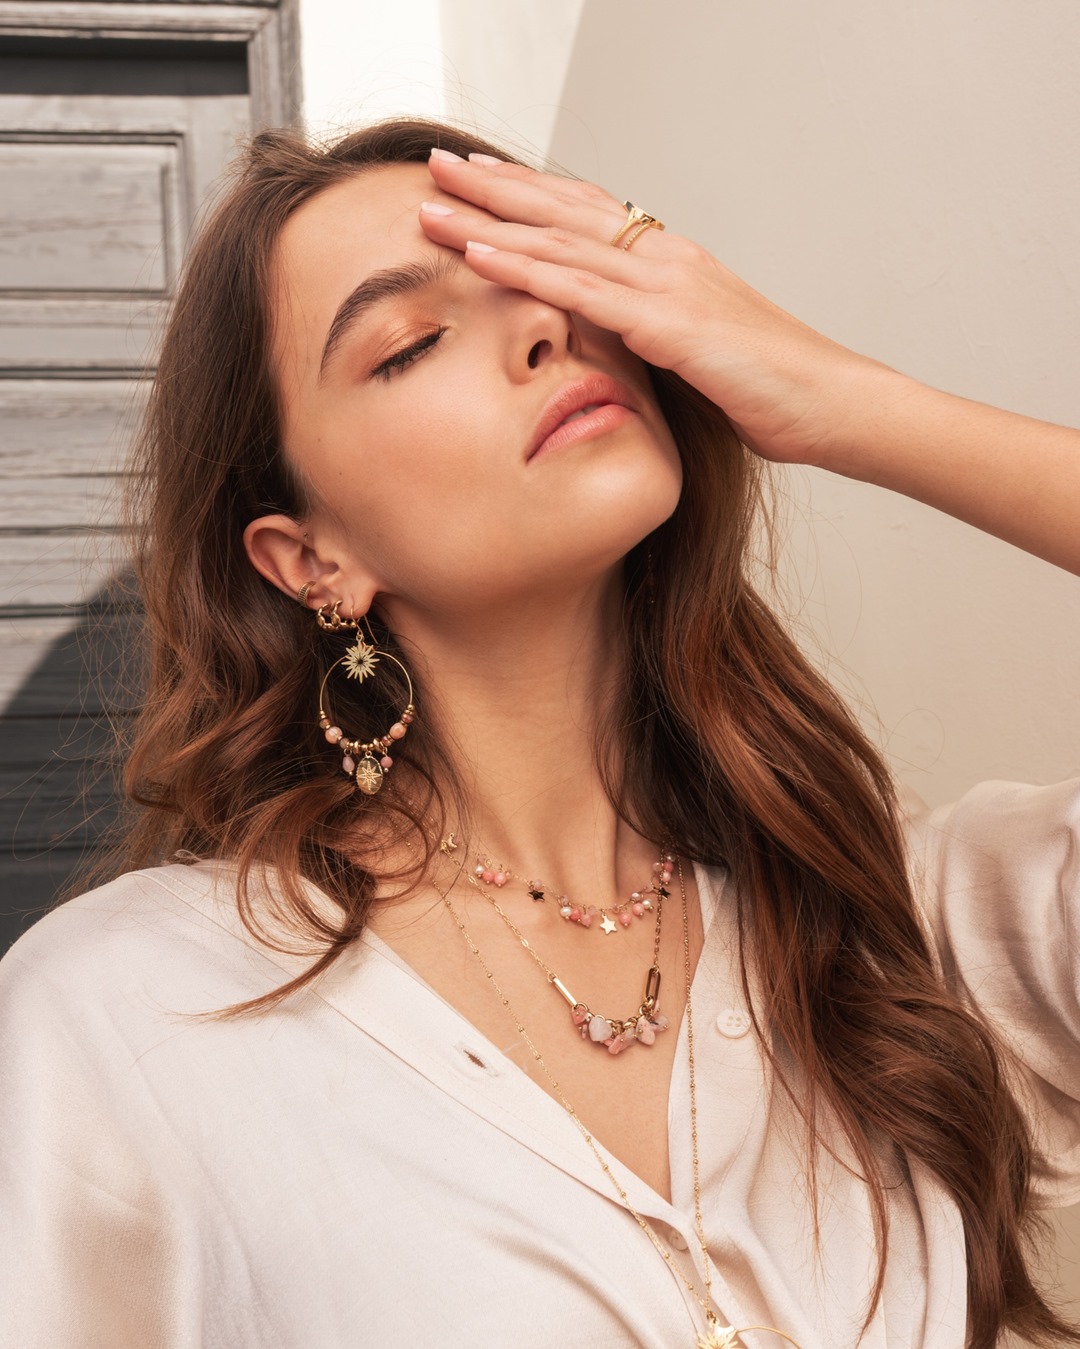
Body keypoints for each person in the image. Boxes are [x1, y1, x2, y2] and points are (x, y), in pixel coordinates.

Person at [0, 116, 1077, 1349]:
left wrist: (848, 400)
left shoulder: (895, 928)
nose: (541, 330)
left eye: (555, 281)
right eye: (410, 343)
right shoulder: (132, 1017)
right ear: (310, 558)